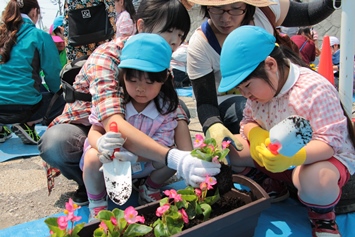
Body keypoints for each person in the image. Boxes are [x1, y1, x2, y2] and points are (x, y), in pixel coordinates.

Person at [39, 0, 219, 206]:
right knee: (57, 144)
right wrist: (174, 158)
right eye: (167, 33)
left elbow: (175, 110)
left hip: (131, 120)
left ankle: (141, 179)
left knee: (176, 108)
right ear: (141, 26)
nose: (174, 43)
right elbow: (111, 121)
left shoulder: (159, 58)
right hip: (90, 123)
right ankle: (91, 183)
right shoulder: (108, 57)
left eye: (179, 36)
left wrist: (190, 161)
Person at [187, 0, 342, 201]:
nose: (225, 18)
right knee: (230, 142)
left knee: (308, 167)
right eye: (216, 9)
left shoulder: (310, 89)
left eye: (235, 8)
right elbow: (206, 101)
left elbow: (307, 13)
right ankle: (268, 177)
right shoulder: (201, 44)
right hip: (232, 100)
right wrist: (215, 125)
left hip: (276, 91)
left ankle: (303, 189)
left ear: (249, 6)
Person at [219, 25, 354, 237]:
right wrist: (255, 135)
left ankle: (322, 218)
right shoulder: (260, 93)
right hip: (278, 158)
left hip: (318, 159)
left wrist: (296, 155)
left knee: (316, 179)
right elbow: (247, 121)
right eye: (240, 90)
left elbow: (331, 143)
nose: (245, 95)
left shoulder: (313, 89)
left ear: (271, 65)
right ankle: (272, 184)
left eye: (247, 86)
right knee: (228, 146)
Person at [83, 33, 185, 220]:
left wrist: (135, 157)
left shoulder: (165, 109)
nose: (140, 88)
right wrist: (101, 144)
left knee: (172, 157)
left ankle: (149, 187)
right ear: (122, 77)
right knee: (91, 158)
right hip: (109, 162)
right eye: (133, 80)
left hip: (141, 163)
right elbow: (94, 131)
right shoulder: (116, 101)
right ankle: (97, 202)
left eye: (149, 82)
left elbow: (162, 146)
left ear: (164, 79)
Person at [0, 0, 66, 145]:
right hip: (23, 109)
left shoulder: (1, 34)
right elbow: (53, 77)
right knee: (62, 98)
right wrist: (63, 95)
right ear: (34, 11)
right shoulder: (39, 36)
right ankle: (27, 124)